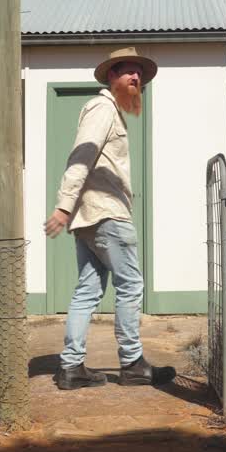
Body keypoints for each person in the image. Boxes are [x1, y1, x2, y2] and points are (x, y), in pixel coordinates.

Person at [43, 47, 177, 391]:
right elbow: (82, 155)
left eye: (140, 74)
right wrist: (63, 204)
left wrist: (70, 208)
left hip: (90, 218)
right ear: (110, 77)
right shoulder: (102, 108)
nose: (136, 77)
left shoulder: (110, 111)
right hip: (106, 215)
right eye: (128, 71)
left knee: (87, 291)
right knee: (130, 286)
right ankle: (132, 364)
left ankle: (71, 368)